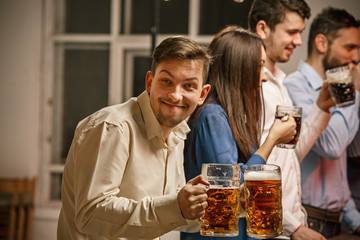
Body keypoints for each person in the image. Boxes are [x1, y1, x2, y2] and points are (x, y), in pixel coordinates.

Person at [57, 36, 214, 240]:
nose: (175, 95)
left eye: (188, 86)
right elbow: (90, 214)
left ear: (202, 94)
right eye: (166, 81)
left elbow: (173, 215)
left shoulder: (176, 132)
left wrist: (236, 205)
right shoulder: (112, 127)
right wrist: (176, 207)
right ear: (150, 82)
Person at [181, 27, 297, 240]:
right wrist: (272, 139)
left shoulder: (227, 115)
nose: (264, 78)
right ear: (239, 69)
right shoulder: (212, 115)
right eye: (260, 66)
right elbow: (232, 183)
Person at [248, 0, 335, 239]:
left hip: (287, 225)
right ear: (263, 29)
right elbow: (251, 168)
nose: (298, 41)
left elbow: (289, 153)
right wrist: (292, 226)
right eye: (291, 32)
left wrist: (321, 108)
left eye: (300, 33)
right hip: (270, 228)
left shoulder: (280, 82)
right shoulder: (252, 85)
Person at [283, 7, 360, 238]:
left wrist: (354, 220)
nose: (356, 57)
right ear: (321, 43)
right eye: (350, 47)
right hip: (309, 220)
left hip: (340, 220)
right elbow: (332, 147)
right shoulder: (293, 87)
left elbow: (349, 155)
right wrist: (353, 90)